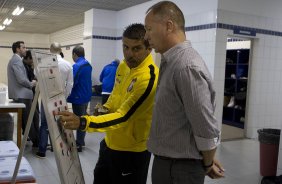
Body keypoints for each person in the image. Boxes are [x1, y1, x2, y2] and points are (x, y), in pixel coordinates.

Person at [57, 23, 159, 184]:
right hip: (110, 144)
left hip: (131, 152)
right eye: (125, 47)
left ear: (149, 49)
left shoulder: (149, 78)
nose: (129, 54)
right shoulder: (124, 66)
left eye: (136, 48)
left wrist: (83, 121)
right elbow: (115, 96)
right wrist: (104, 109)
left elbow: (124, 116)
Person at [144, 1, 225, 184]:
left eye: (149, 29)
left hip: (179, 169)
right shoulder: (171, 61)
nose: (146, 36)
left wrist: (207, 163)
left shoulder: (185, 67)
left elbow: (205, 129)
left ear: (169, 26)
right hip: (170, 163)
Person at [36, 42, 73, 158]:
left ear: (50, 50)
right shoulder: (68, 65)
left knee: (44, 124)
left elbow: (36, 75)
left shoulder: (43, 63)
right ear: (60, 50)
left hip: (47, 97)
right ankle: (62, 149)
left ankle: (42, 151)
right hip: (60, 97)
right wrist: (65, 96)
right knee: (60, 122)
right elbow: (70, 84)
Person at [7, 41, 39, 147]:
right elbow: (21, 79)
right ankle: (36, 142)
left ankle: (36, 139)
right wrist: (31, 84)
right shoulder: (16, 61)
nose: (25, 49)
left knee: (32, 118)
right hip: (22, 95)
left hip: (23, 95)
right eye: (23, 47)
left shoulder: (17, 60)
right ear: (17, 49)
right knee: (29, 120)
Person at [67, 45, 92, 152]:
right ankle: (82, 141)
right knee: (83, 117)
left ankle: (79, 144)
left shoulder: (77, 66)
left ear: (75, 54)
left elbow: (73, 82)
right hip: (86, 95)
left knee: (79, 120)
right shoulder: (88, 65)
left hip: (78, 97)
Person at [22, 50, 40, 144]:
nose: (33, 61)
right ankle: (35, 140)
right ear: (28, 58)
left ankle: (37, 137)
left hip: (32, 93)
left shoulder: (29, 66)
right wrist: (33, 81)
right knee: (30, 117)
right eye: (32, 59)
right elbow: (25, 81)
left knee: (36, 115)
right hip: (27, 94)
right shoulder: (22, 66)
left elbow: (32, 78)